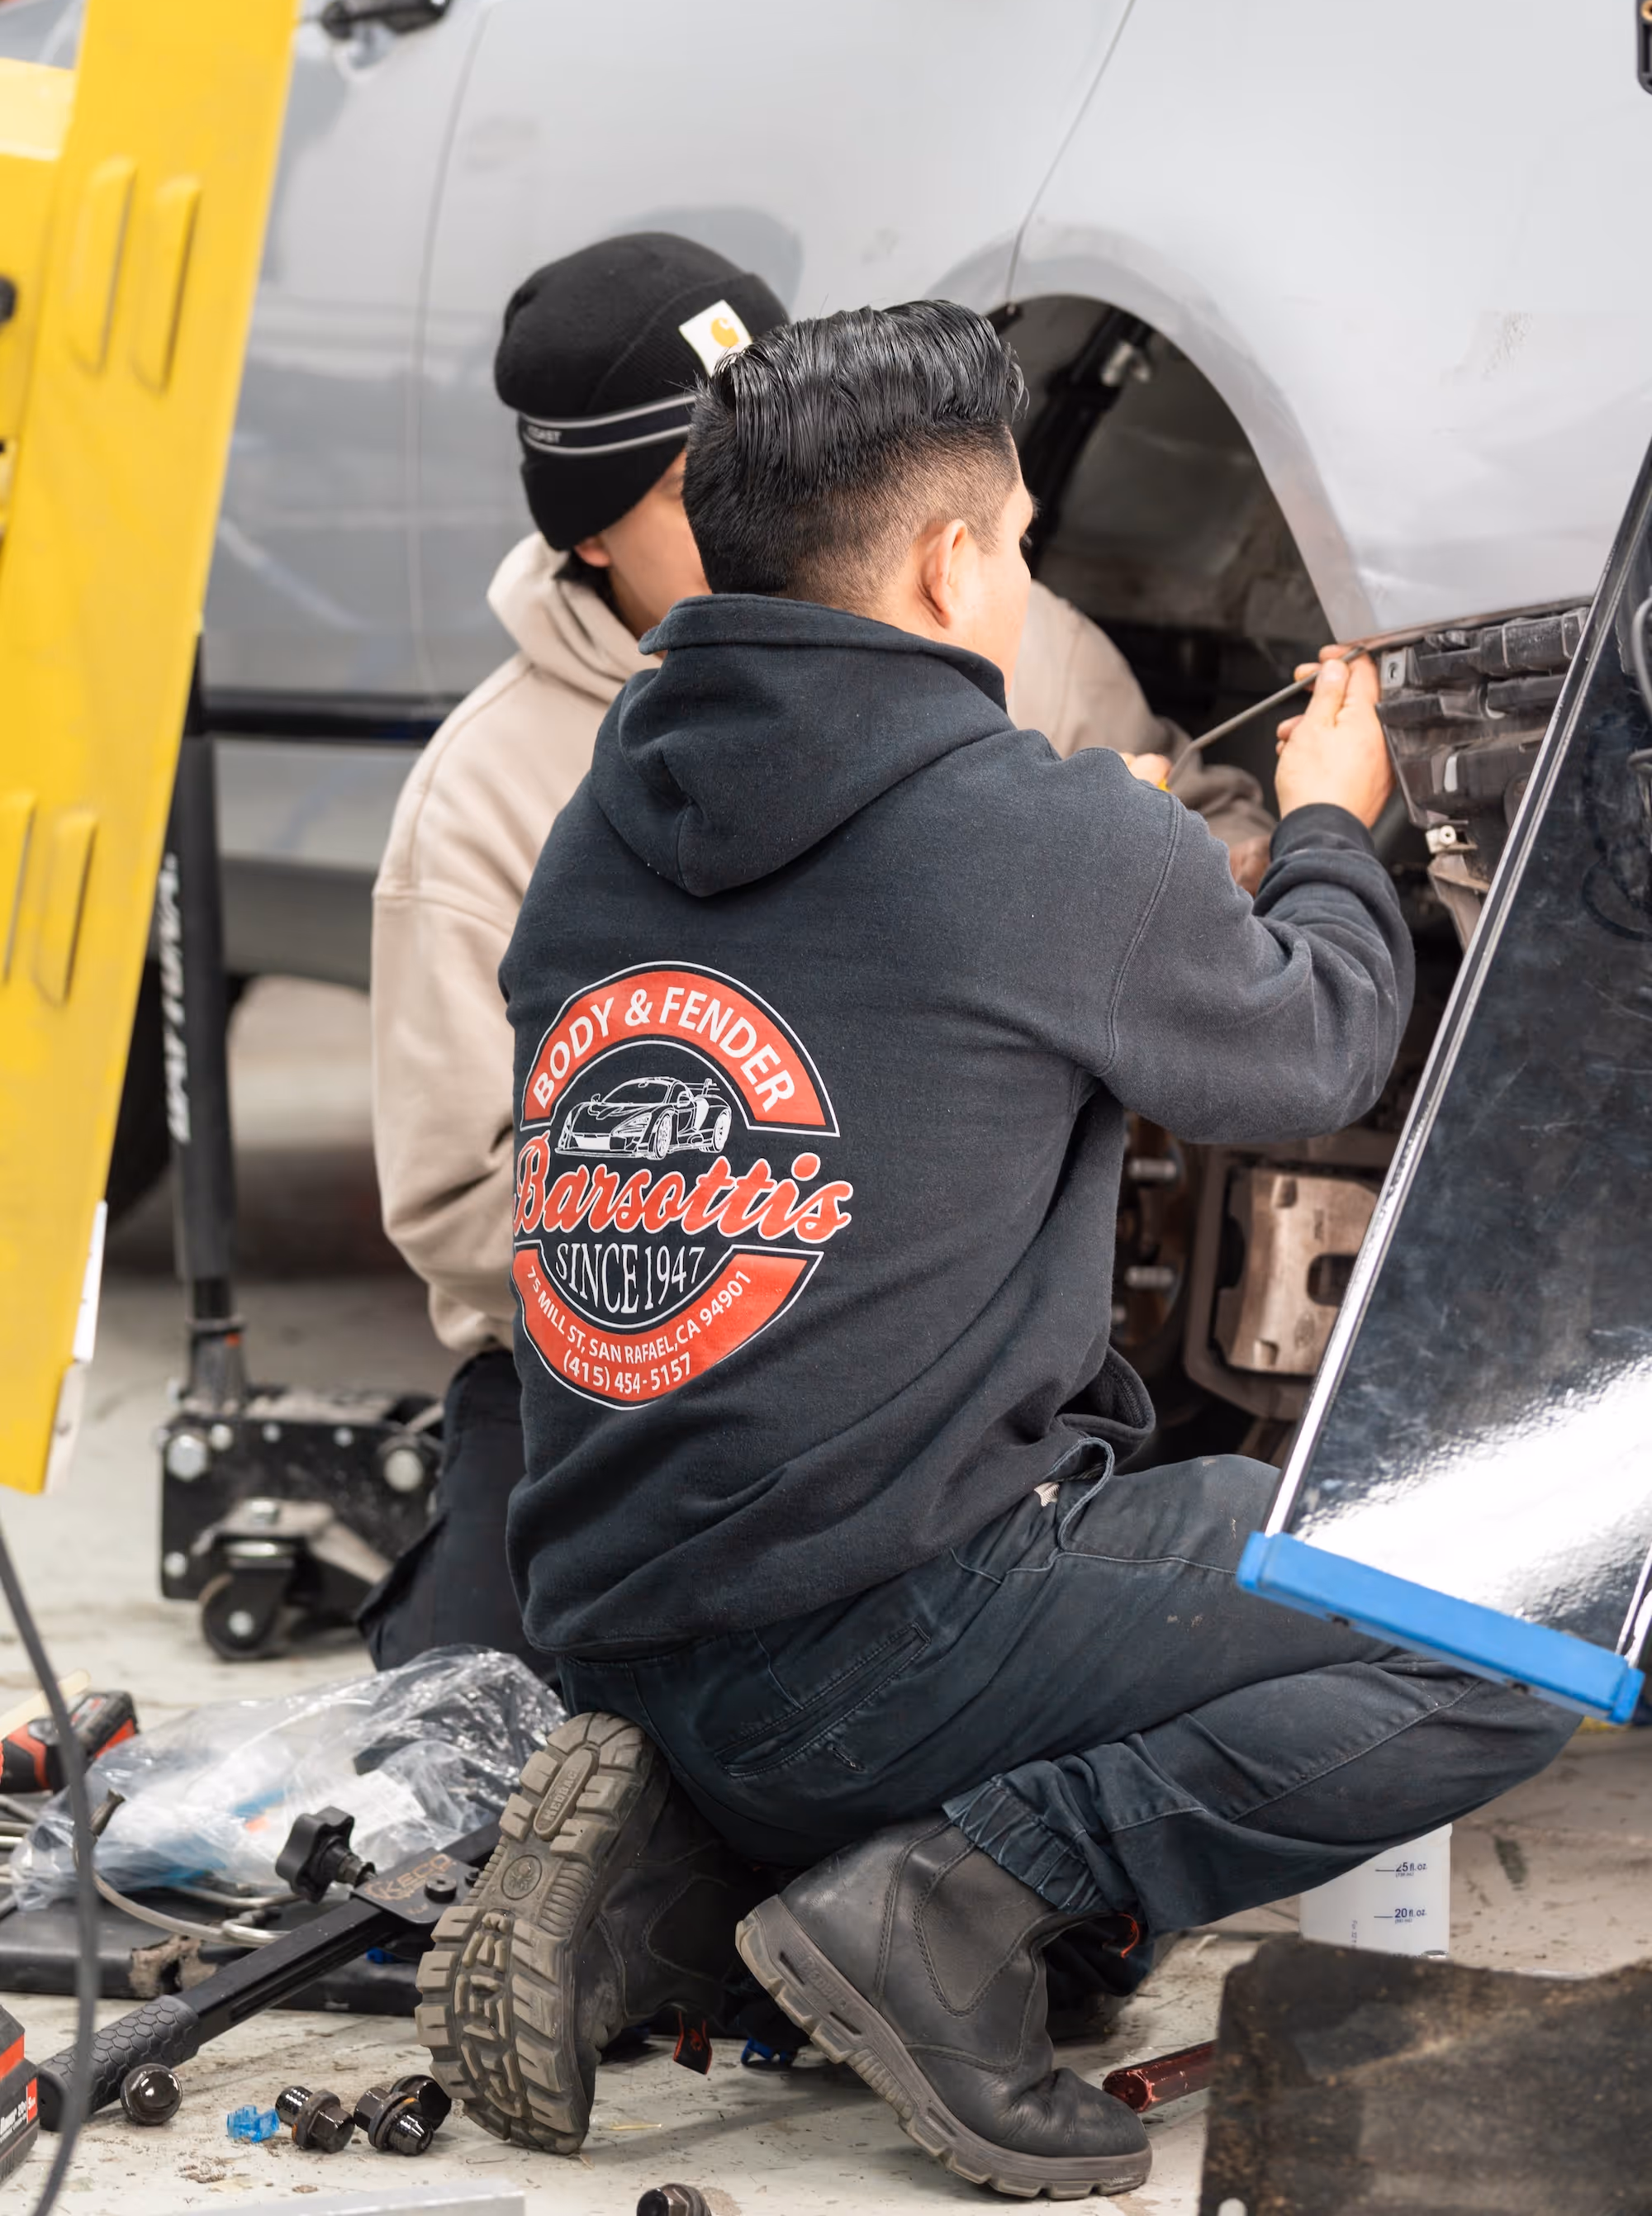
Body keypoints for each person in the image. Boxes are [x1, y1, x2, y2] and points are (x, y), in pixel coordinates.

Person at [414, 303, 1574, 2197]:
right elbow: (1320, 1048)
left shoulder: (605, 813)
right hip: (886, 1627)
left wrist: (1087, 873)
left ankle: (689, 1865)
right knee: (1515, 1600)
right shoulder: (1021, 834)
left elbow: (895, 975)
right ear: (954, 560)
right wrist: (1325, 831)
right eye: (1023, 548)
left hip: (614, 1616)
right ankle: (961, 1898)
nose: (1021, 580)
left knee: (1120, 1577)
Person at [364, 241, 1270, 1668]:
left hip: (926, 1371)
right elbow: (456, 1193)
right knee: (488, 1743)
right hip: (612, 1380)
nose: (768, 498)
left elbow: (1202, 812)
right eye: (694, 481)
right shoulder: (492, 789)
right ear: (587, 534)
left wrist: (1141, 884)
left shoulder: (1000, 626)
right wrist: (789, 1228)